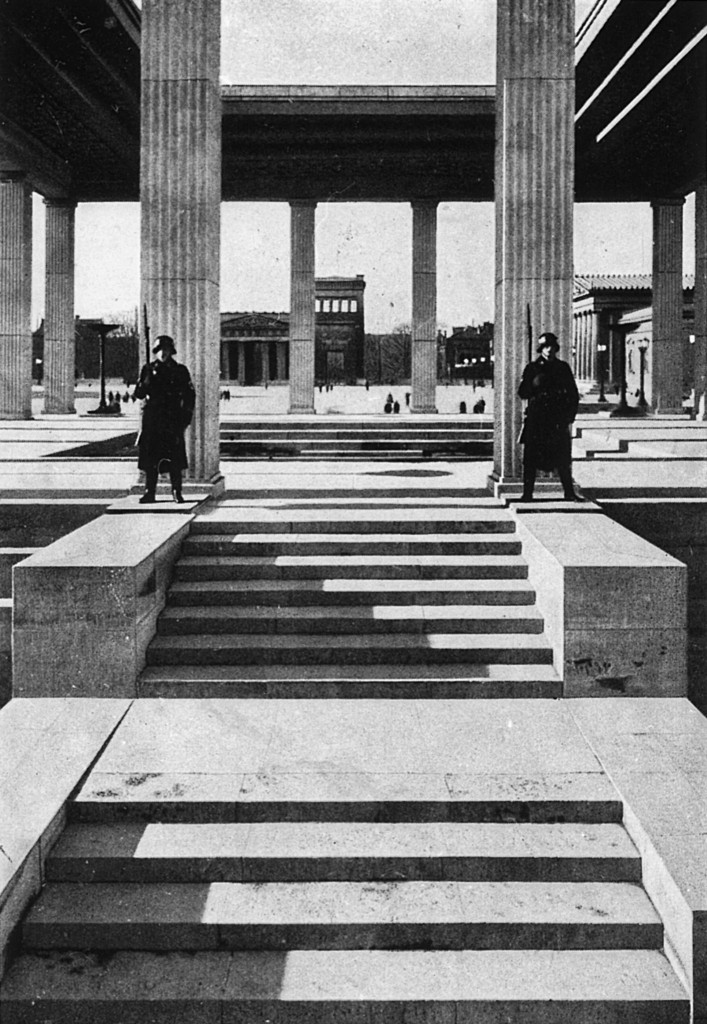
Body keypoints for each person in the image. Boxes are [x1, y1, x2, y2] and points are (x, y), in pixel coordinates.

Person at [517, 331, 580, 501]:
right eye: (546, 347)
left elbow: (573, 394)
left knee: (562, 458)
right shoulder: (532, 368)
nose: (549, 350)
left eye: (552, 346)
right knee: (531, 458)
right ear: (541, 349)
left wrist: (569, 416)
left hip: (556, 419)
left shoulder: (563, 368)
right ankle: (527, 494)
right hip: (537, 419)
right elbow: (522, 393)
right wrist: (530, 383)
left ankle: (569, 493)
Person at [133, 334, 195, 504]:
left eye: (166, 350)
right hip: (153, 419)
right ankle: (149, 492)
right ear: (155, 352)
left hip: (172, 418)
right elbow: (139, 394)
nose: (163, 353)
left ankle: (176, 491)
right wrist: (142, 383)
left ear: (171, 351)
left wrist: (185, 418)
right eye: (160, 350)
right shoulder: (147, 369)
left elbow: (189, 395)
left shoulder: (180, 370)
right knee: (150, 458)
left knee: (174, 457)